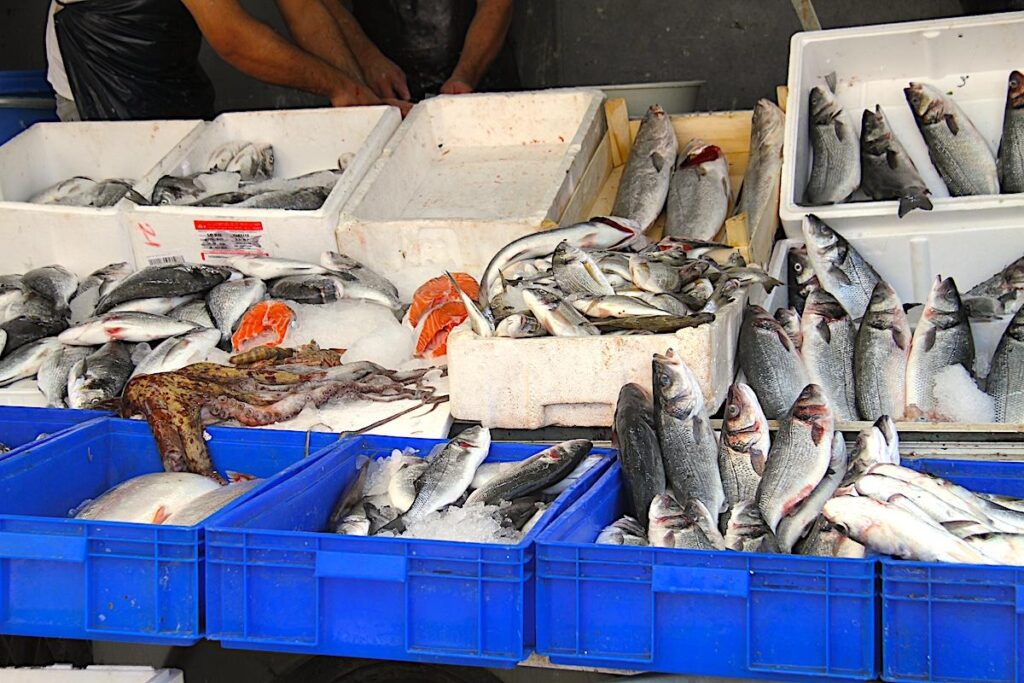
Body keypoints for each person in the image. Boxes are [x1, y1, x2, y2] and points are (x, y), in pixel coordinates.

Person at [45, 0, 411, 121]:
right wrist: (340, 86)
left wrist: (360, 101)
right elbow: (234, 39)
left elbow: (304, 5)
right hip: (100, 68)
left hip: (166, 58)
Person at [324, 0, 519, 102]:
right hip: (380, 89)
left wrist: (466, 73)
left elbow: (497, 3)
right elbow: (320, 5)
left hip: (481, 81)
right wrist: (366, 58)